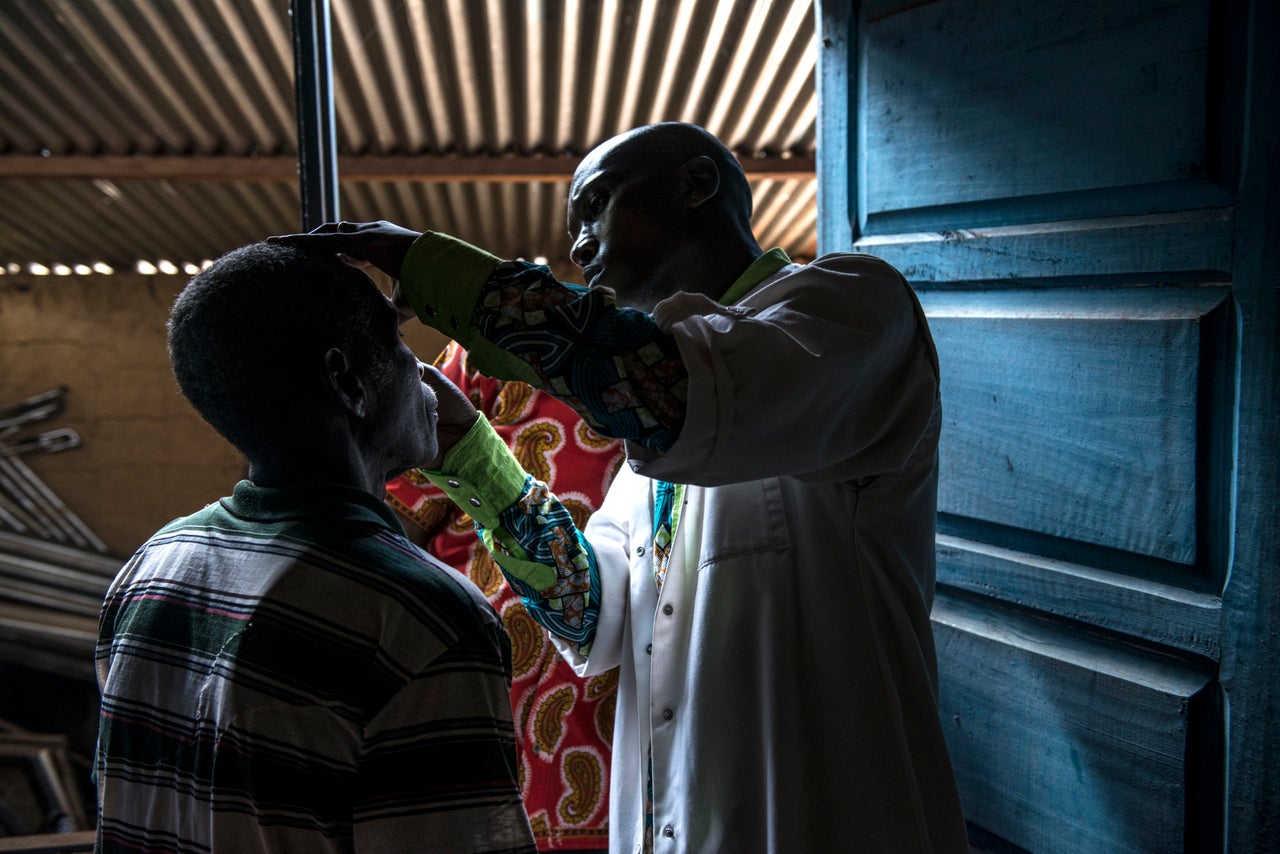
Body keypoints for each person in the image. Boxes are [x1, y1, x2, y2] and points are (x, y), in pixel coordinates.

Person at [275, 122, 969, 853]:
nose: (578, 247)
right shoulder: (646, 471)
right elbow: (589, 615)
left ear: (697, 185)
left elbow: (668, 390)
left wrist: (436, 270)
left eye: (598, 205)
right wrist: (471, 454)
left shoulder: (849, 310)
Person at [94, 243, 535, 853]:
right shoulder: (419, 618)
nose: (424, 370)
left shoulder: (152, 568)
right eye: (398, 345)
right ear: (349, 382)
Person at [385, 340, 624, 852]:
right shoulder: (493, 353)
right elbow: (396, 527)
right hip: (479, 696)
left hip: (613, 730)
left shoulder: (686, 378)